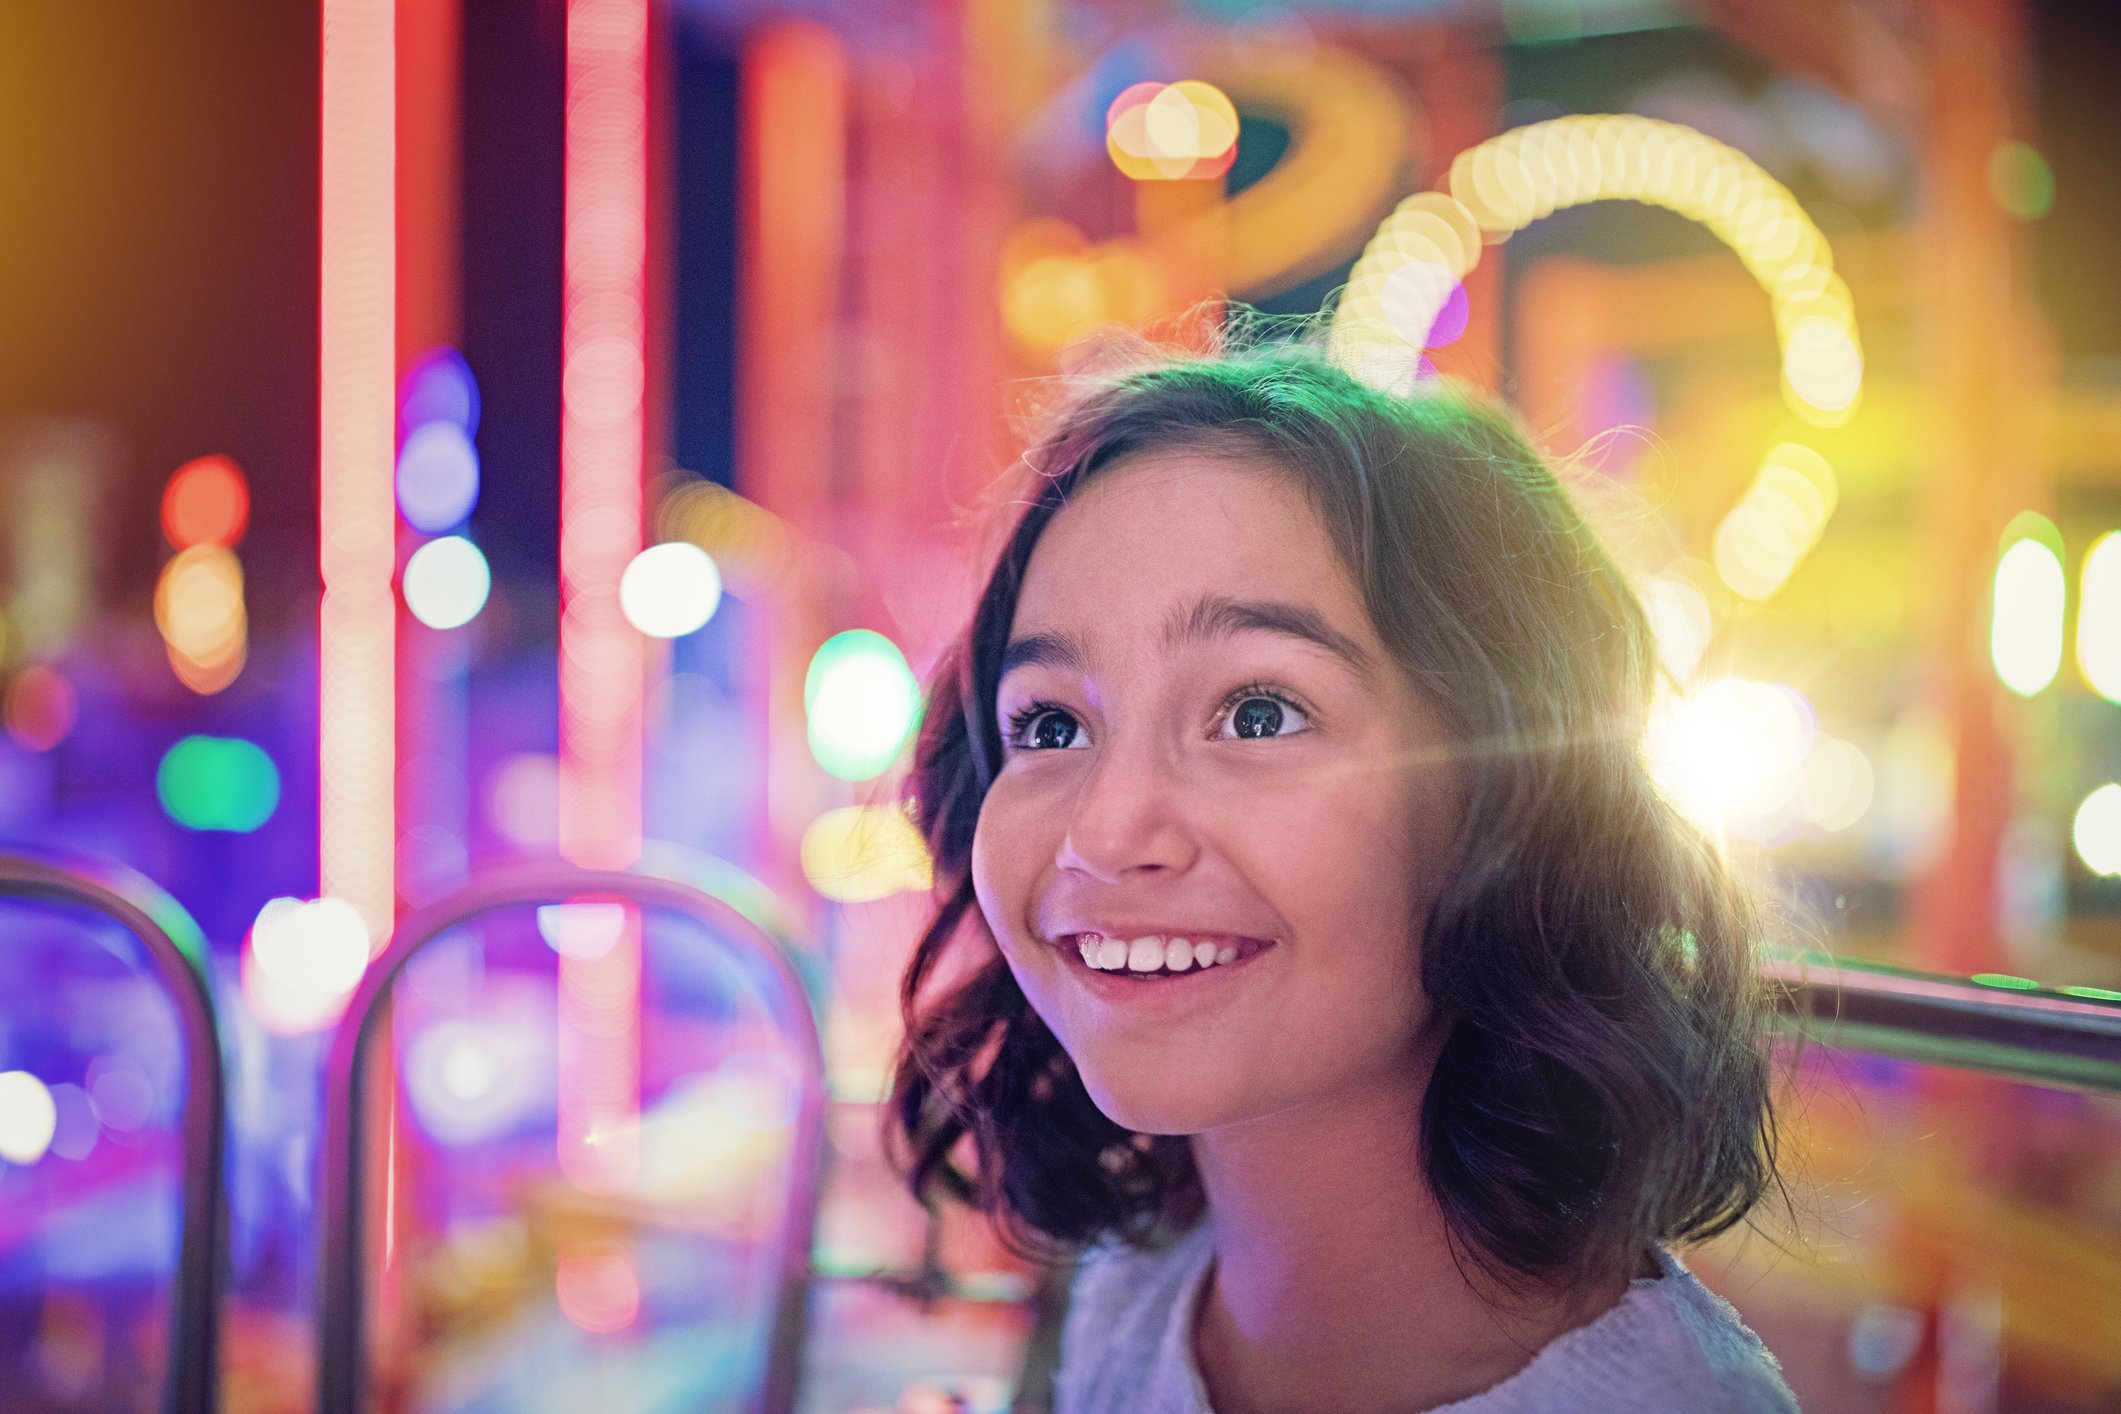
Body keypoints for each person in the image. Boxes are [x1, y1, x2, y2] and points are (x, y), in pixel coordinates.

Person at [888, 337, 1798, 1413]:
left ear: (1510, 791)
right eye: (1050, 724)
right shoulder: (1133, 1296)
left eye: (1257, 713)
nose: (1107, 828)